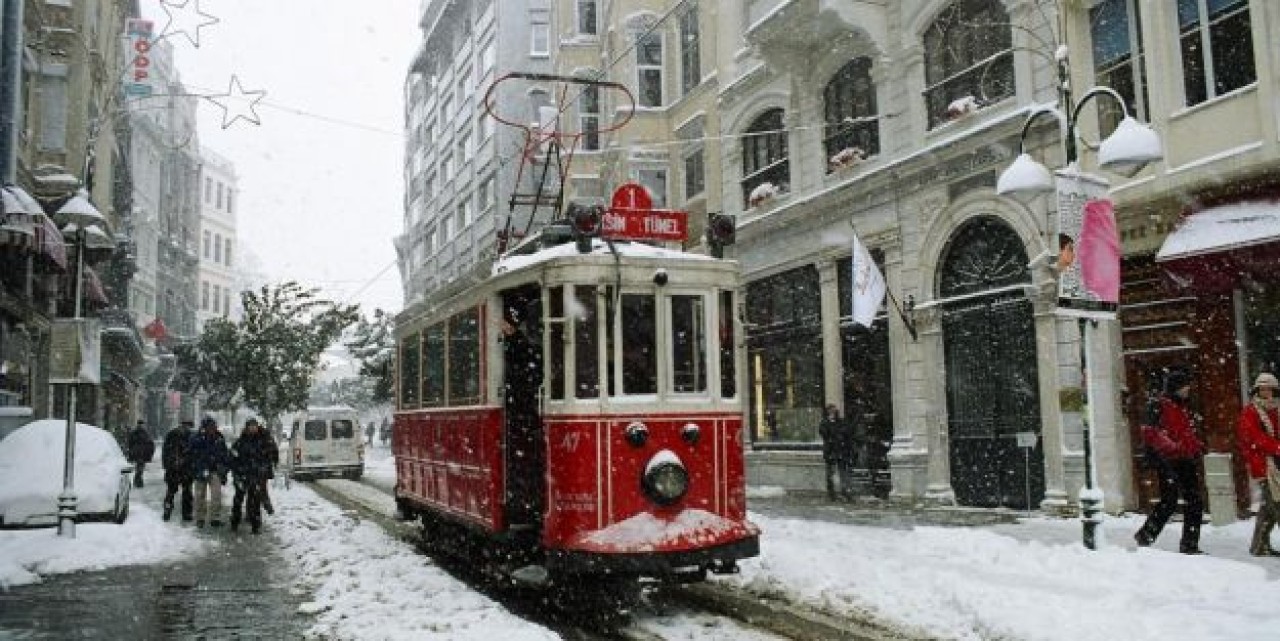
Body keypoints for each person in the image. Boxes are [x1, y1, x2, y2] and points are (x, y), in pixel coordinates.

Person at [1134, 369, 1206, 554]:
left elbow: (1185, 433)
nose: (1187, 389)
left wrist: (1196, 447)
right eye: (1184, 386)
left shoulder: (1182, 407)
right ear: (1175, 387)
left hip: (1184, 458)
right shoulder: (1159, 405)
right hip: (1167, 460)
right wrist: (1173, 446)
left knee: (1194, 501)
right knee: (1170, 501)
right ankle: (1146, 535)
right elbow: (1151, 433)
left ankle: (1189, 544)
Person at [1237, 372, 1280, 557]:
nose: (1265, 392)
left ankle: (1259, 546)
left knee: (1268, 507)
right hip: (1264, 465)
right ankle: (1259, 546)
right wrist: (1277, 447)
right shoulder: (1251, 412)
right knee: (1276, 503)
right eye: (1262, 389)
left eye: (1269, 389)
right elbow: (1254, 437)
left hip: (1277, 463)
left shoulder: (1277, 409)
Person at [230, 418, 278, 534]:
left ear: (257, 427)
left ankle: (255, 526)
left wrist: (267, 466)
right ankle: (235, 522)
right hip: (242, 474)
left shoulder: (263, 439)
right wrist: (236, 470)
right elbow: (233, 456)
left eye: (254, 426)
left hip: (256, 474)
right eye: (250, 426)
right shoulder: (241, 441)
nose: (252, 428)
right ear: (247, 428)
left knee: (255, 501)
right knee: (238, 499)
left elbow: (272, 453)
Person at [188, 416, 232, 528]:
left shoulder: (219, 438)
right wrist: (196, 468)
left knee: (216, 495)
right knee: (199, 496)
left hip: (215, 471)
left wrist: (223, 469)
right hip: (200, 471)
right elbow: (191, 455)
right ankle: (200, 518)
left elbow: (225, 455)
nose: (212, 429)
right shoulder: (196, 439)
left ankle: (215, 518)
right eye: (210, 427)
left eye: (213, 427)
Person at [161, 420, 195, 522]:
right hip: (177, 469)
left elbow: (194, 453)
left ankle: (183, 513)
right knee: (175, 491)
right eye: (185, 426)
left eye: (188, 426)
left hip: (182, 469)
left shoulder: (189, 436)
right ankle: (171, 511)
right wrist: (167, 464)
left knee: (183, 492)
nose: (186, 428)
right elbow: (165, 451)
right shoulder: (175, 435)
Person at [817, 405, 845, 500]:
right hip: (830, 450)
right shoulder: (825, 422)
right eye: (831, 411)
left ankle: (844, 490)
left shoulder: (839, 421)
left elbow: (843, 432)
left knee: (842, 471)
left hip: (839, 449)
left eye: (834, 411)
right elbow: (824, 433)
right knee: (830, 472)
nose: (832, 412)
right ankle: (831, 492)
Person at [126, 420, 155, 488]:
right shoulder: (143, 433)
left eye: (141, 424)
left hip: (140, 453)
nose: (141, 426)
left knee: (140, 468)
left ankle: (137, 481)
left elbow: (130, 443)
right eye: (140, 424)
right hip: (140, 453)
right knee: (140, 468)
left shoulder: (140, 433)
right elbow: (150, 443)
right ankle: (138, 481)